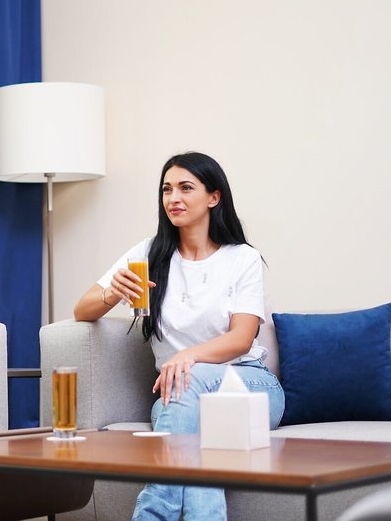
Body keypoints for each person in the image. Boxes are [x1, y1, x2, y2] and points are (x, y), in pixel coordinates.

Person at [74, 152, 284, 521]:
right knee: (196, 443)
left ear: (213, 197)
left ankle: (153, 513)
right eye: (167, 189)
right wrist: (112, 293)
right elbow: (82, 310)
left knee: (185, 392)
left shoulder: (242, 258)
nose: (173, 198)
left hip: (247, 387)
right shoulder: (149, 253)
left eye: (186, 188)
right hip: (178, 395)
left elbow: (241, 338)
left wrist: (188, 357)